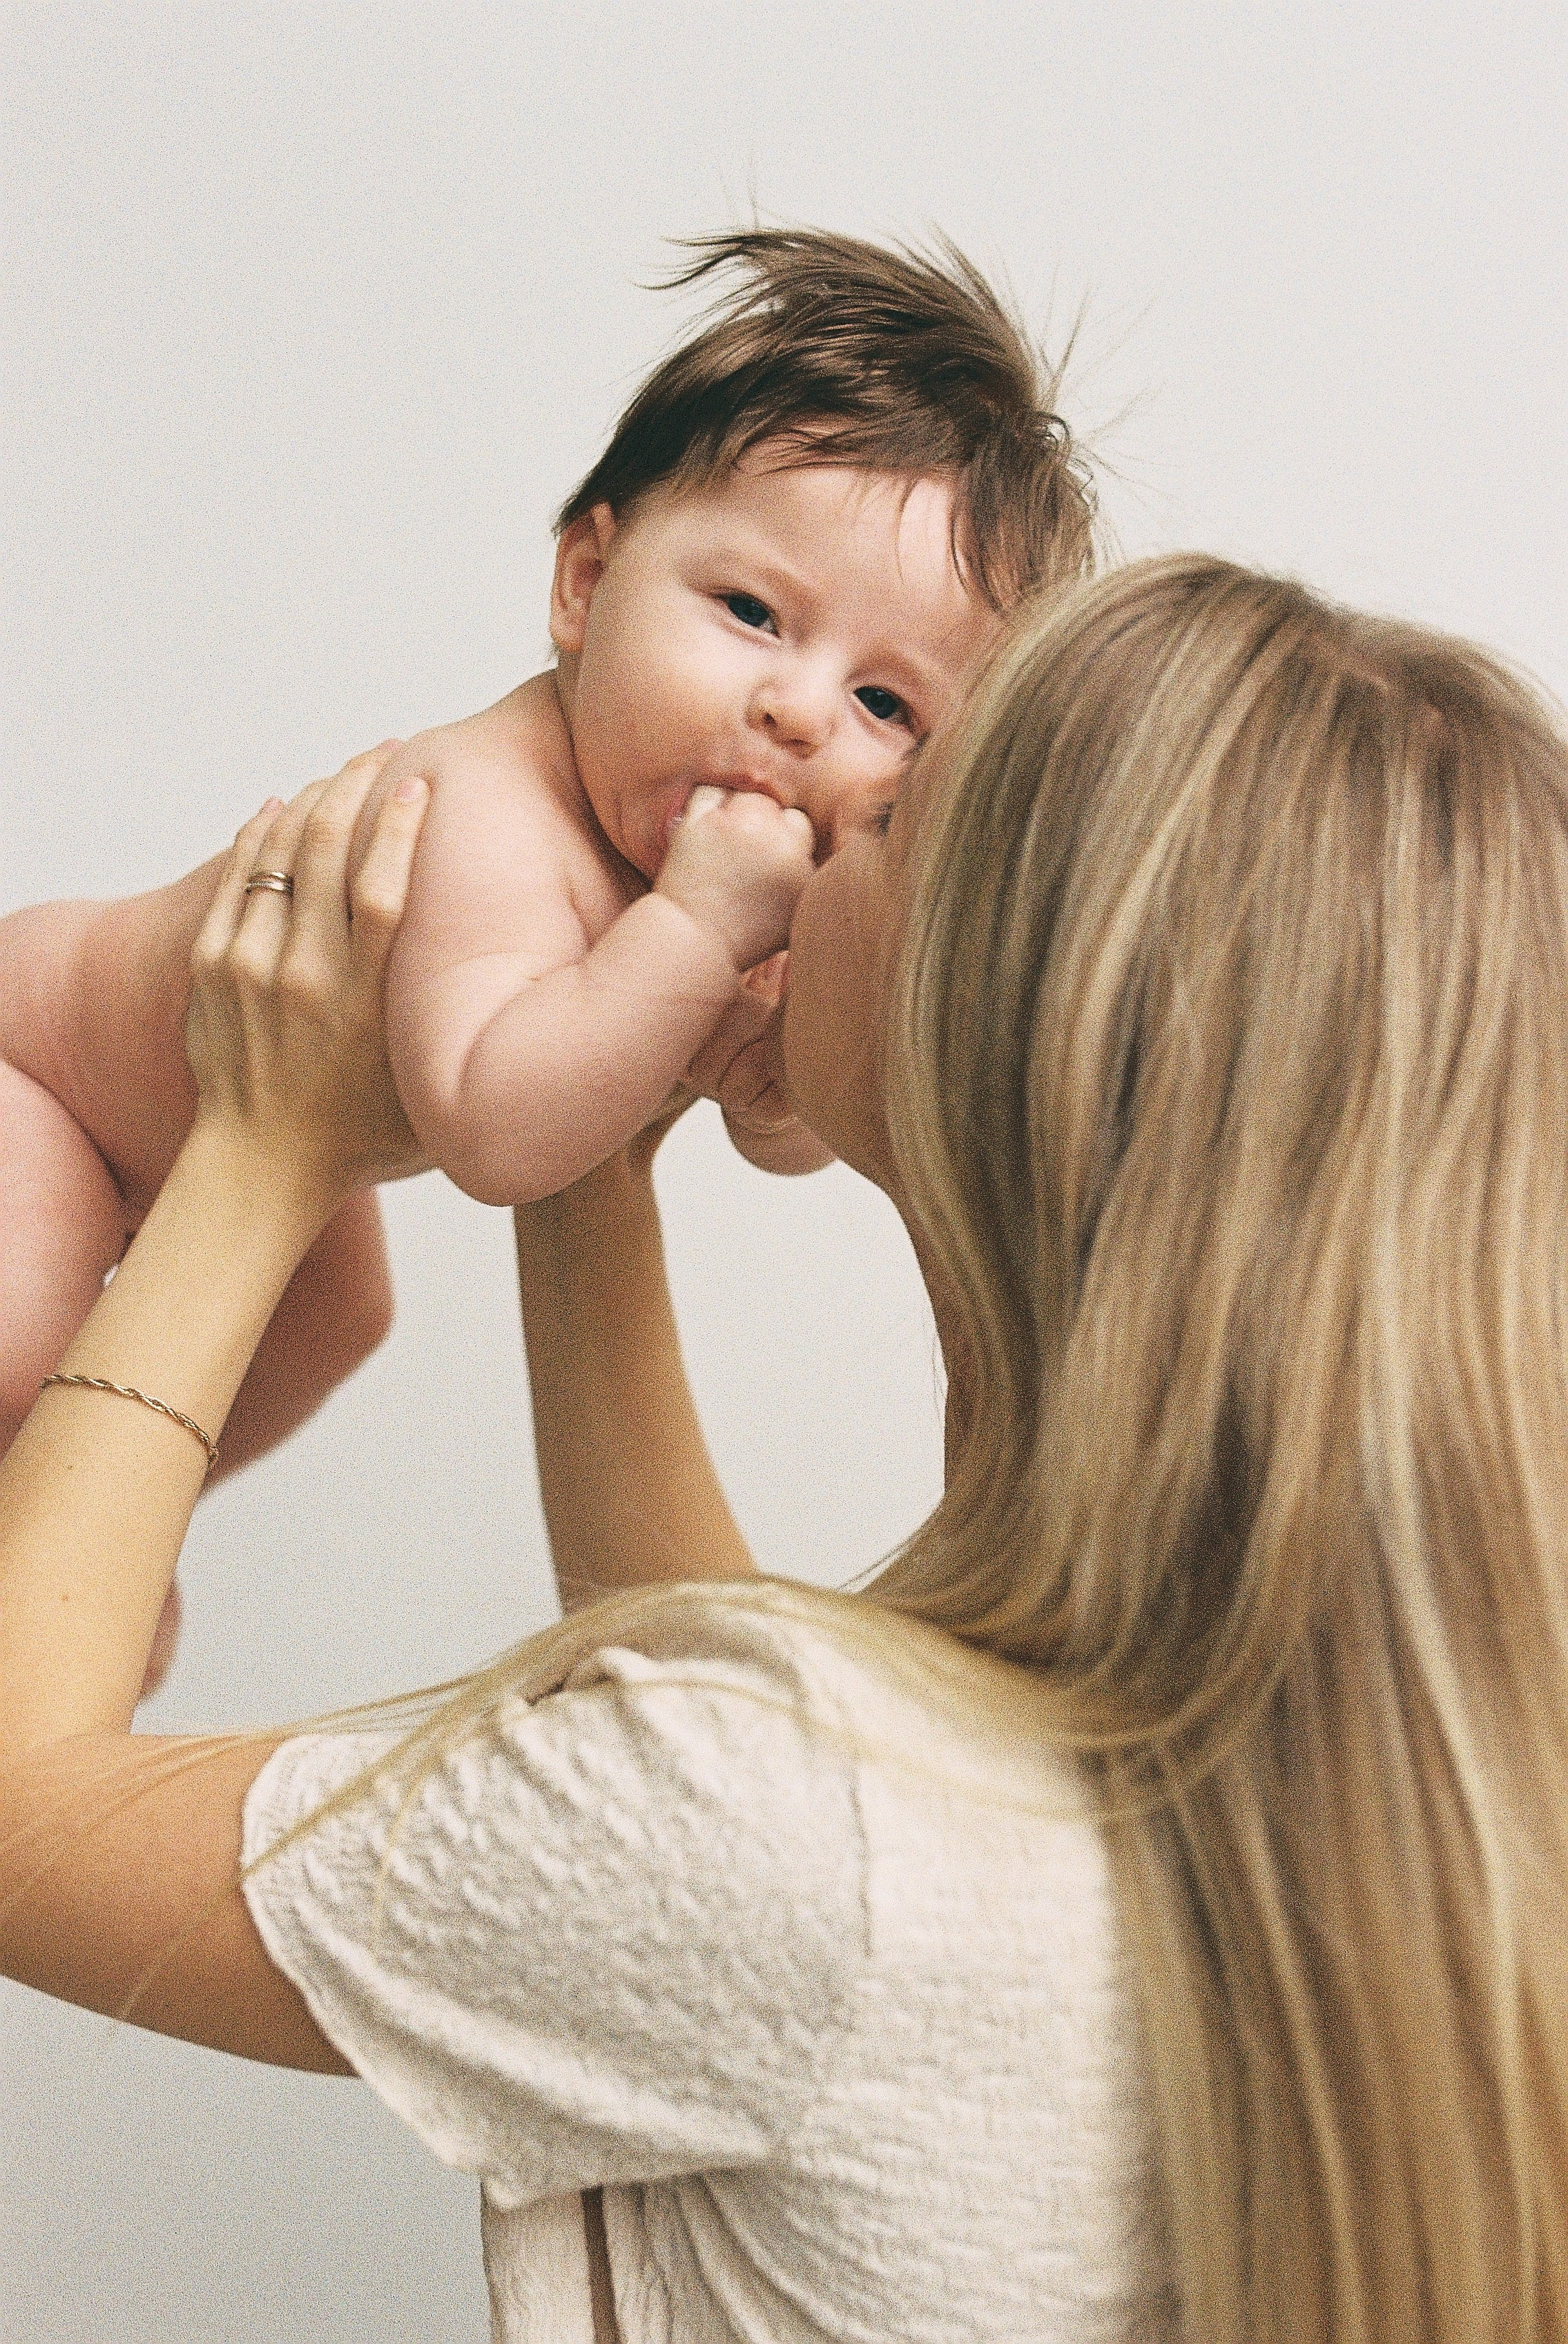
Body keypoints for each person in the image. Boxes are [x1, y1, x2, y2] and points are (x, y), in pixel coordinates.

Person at [4, 553, 1565, 2344]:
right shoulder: (1402, 1766)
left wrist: (261, 1144)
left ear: (1011, 1017)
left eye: (894, 801)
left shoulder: (793, 1833)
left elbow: (12, 1802)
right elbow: (742, 1731)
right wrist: (574, 1137)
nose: (813, 803)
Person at [0, 225, 1093, 1512]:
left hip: (235, 1135)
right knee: (23, 1340)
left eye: (882, 702)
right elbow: (499, 1131)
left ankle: (84, 1542)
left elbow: (786, 1128)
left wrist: (764, 1082)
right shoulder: (486, 807)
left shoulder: (724, 871)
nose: (795, 711)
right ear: (585, 582)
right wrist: (691, 937)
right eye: (750, 614)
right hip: (48, 1078)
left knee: (335, 1322)